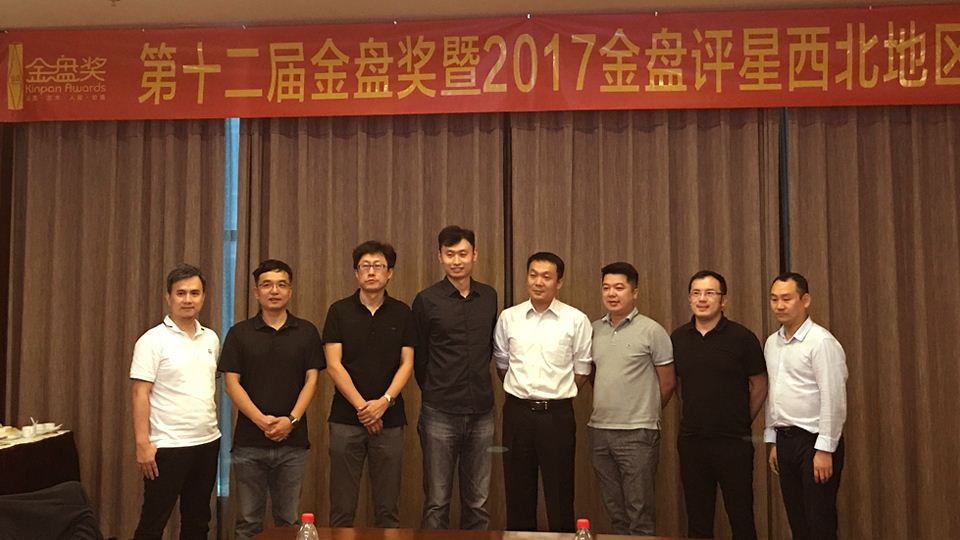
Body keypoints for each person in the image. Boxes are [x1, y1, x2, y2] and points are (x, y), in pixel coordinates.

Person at [218, 259, 324, 539]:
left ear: (290, 291)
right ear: (256, 292)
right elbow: (231, 384)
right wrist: (261, 421)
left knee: (288, 521)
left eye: (281, 285)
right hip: (249, 444)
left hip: (293, 444)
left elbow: (312, 381)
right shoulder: (239, 333)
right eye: (267, 285)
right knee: (247, 523)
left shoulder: (306, 331)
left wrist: (291, 420)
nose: (274, 291)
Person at [493, 251, 592, 533]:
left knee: (560, 493)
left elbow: (582, 370)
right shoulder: (509, 318)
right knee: (518, 493)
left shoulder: (576, 320)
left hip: (557, 416)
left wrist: (555, 394)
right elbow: (502, 365)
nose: (538, 282)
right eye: (533, 275)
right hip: (517, 414)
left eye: (546, 277)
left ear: (559, 282)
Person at [322, 241, 416, 527]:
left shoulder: (403, 312)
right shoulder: (339, 311)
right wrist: (365, 408)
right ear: (356, 273)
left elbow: (407, 363)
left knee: (388, 509)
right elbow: (333, 364)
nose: (372, 272)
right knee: (342, 508)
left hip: (390, 419)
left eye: (378, 266)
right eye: (365, 266)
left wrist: (383, 403)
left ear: (390, 273)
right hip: (345, 419)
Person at [670, 270, 767, 540]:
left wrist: (740, 419)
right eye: (696, 293)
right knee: (697, 520)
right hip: (692, 441)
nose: (702, 299)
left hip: (733, 442)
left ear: (723, 300)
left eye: (710, 293)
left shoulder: (742, 338)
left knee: (741, 518)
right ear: (689, 298)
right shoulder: (678, 338)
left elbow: (760, 384)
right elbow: (677, 384)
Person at [412, 225, 498, 529]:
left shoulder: (489, 296)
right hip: (440, 411)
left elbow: (490, 347)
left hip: (482, 411)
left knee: (478, 502)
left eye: (463, 253)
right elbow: (419, 357)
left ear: (475, 255)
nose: (457, 261)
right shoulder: (426, 300)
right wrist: (435, 388)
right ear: (440, 257)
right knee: (437, 502)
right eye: (450, 254)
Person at [129, 264, 221, 540]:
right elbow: (140, 393)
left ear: (203, 297)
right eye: (181, 293)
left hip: (207, 442)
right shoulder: (151, 340)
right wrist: (142, 444)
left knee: (198, 520)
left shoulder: (211, 338)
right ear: (168, 297)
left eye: (195, 293)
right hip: (167, 446)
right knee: (153, 522)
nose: (188, 299)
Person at [589, 262, 675, 536]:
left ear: (634, 292)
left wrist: (643, 409)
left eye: (619, 287)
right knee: (615, 512)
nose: (611, 294)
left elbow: (668, 383)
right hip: (600, 431)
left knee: (639, 512)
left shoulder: (652, 331)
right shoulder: (593, 329)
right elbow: (594, 376)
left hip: (638, 433)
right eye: (606, 288)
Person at [765, 272, 848, 540]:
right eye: (774, 299)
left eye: (786, 299)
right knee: (797, 522)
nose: (779, 305)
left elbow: (834, 398)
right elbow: (775, 393)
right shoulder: (772, 343)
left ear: (805, 300)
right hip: (785, 440)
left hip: (814, 442)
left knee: (819, 522)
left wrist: (825, 448)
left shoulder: (821, 342)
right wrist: (773, 440)